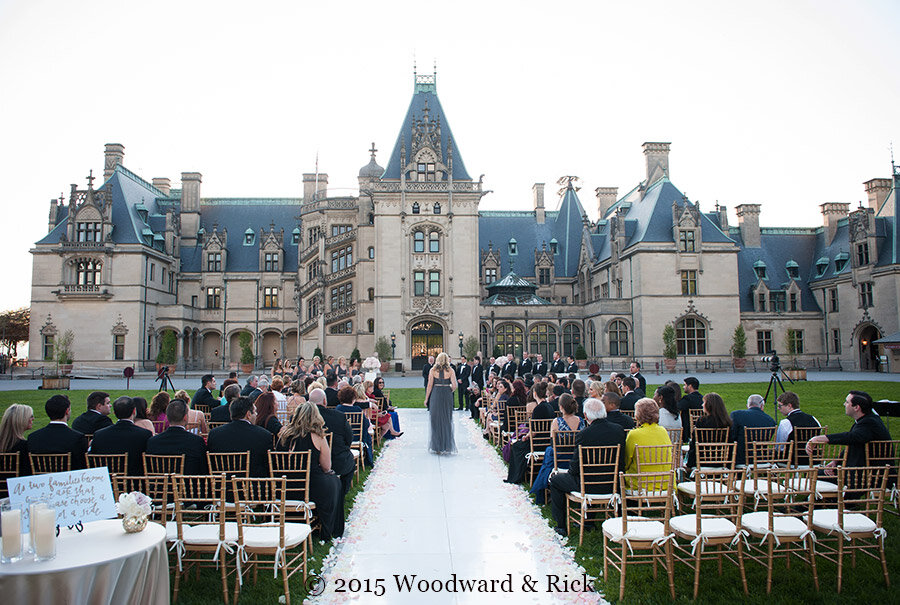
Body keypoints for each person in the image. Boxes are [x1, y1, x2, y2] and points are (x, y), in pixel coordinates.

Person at [548, 398, 626, 537]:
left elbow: (576, 466)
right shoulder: (618, 430)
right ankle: (588, 521)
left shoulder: (584, 434)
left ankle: (561, 526)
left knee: (555, 480)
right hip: (613, 484)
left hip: (588, 485)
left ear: (585, 416)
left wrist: (571, 471)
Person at [276, 401, 343, 540]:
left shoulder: (283, 435)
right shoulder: (318, 436)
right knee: (335, 482)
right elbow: (327, 467)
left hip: (284, 486)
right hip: (310, 486)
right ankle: (328, 528)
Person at [310, 388, 355, 537]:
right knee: (349, 463)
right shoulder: (338, 417)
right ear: (325, 401)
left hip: (311, 466)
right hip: (336, 462)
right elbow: (349, 439)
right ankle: (341, 494)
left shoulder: (301, 420)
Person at [805, 391, 891, 468]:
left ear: (856, 407)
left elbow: (853, 437)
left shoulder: (869, 423)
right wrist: (837, 461)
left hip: (870, 475)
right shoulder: (865, 420)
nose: (844, 404)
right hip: (860, 470)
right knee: (819, 473)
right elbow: (852, 442)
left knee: (814, 476)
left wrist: (821, 438)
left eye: (847, 402)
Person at [530, 394, 586, 503]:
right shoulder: (581, 420)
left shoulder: (557, 421)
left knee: (549, 452)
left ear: (561, 407)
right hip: (577, 457)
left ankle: (541, 490)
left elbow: (553, 442)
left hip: (560, 460)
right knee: (549, 452)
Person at [207, 396, 273, 477]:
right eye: (255, 412)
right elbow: (270, 465)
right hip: (253, 485)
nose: (256, 414)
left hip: (223, 484)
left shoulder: (214, 434)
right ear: (248, 414)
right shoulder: (264, 435)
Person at [90, 396, 153, 476]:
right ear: (134, 411)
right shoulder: (144, 434)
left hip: (108, 481)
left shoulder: (99, 435)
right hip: (136, 482)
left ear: (115, 413)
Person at [146, 399, 208, 475]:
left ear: (167, 417)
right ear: (185, 417)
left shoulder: (153, 442)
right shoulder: (196, 441)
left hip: (160, 485)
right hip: (188, 484)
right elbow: (204, 470)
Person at [27, 395, 87, 469]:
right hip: (69, 478)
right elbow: (82, 466)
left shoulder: (33, 437)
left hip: (42, 479)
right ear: (67, 411)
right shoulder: (77, 438)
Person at [623, 398, 673, 485]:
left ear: (637, 415)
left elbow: (626, 462)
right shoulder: (663, 431)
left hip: (639, 485)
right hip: (664, 483)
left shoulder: (634, 434)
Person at [685, 392, 732, 469]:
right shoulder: (727, 422)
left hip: (702, 461)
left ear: (709, 405)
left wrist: (690, 463)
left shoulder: (701, 421)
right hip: (722, 462)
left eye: (704, 403)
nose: (702, 405)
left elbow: (694, 443)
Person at [774, 391, 821, 466]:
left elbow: (780, 447)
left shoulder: (786, 422)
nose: (778, 408)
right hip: (814, 459)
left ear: (789, 406)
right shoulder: (814, 419)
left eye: (780, 406)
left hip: (792, 461)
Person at [425, 352, 457, 455]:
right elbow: (455, 385)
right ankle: (447, 446)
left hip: (436, 394)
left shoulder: (433, 370)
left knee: (435, 419)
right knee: (447, 419)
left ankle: (437, 447)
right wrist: (449, 390)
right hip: (447, 394)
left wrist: (427, 399)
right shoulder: (451, 370)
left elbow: (429, 385)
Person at [730, 394, 776, 466]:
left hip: (741, 459)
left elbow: (732, 437)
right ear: (761, 406)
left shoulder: (736, 415)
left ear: (748, 405)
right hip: (761, 459)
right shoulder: (770, 421)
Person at [336, 385, 373, 466]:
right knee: (368, 436)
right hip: (356, 437)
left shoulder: (338, 409)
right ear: (353, 399)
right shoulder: (357, 410)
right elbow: (366, 424)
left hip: (342, 438)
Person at [0, 404, 34, 476]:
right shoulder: (25, 446)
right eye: (30, 417)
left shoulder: (5, 444)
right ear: (21, 420)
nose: (33, 419)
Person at [677, 376, 703, 442]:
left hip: (688, 429)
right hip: (701, 427)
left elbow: (677, 407)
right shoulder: (703, 399)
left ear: (690, 386)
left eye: (685, 385)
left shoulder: (687, 399)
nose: (683, 387)